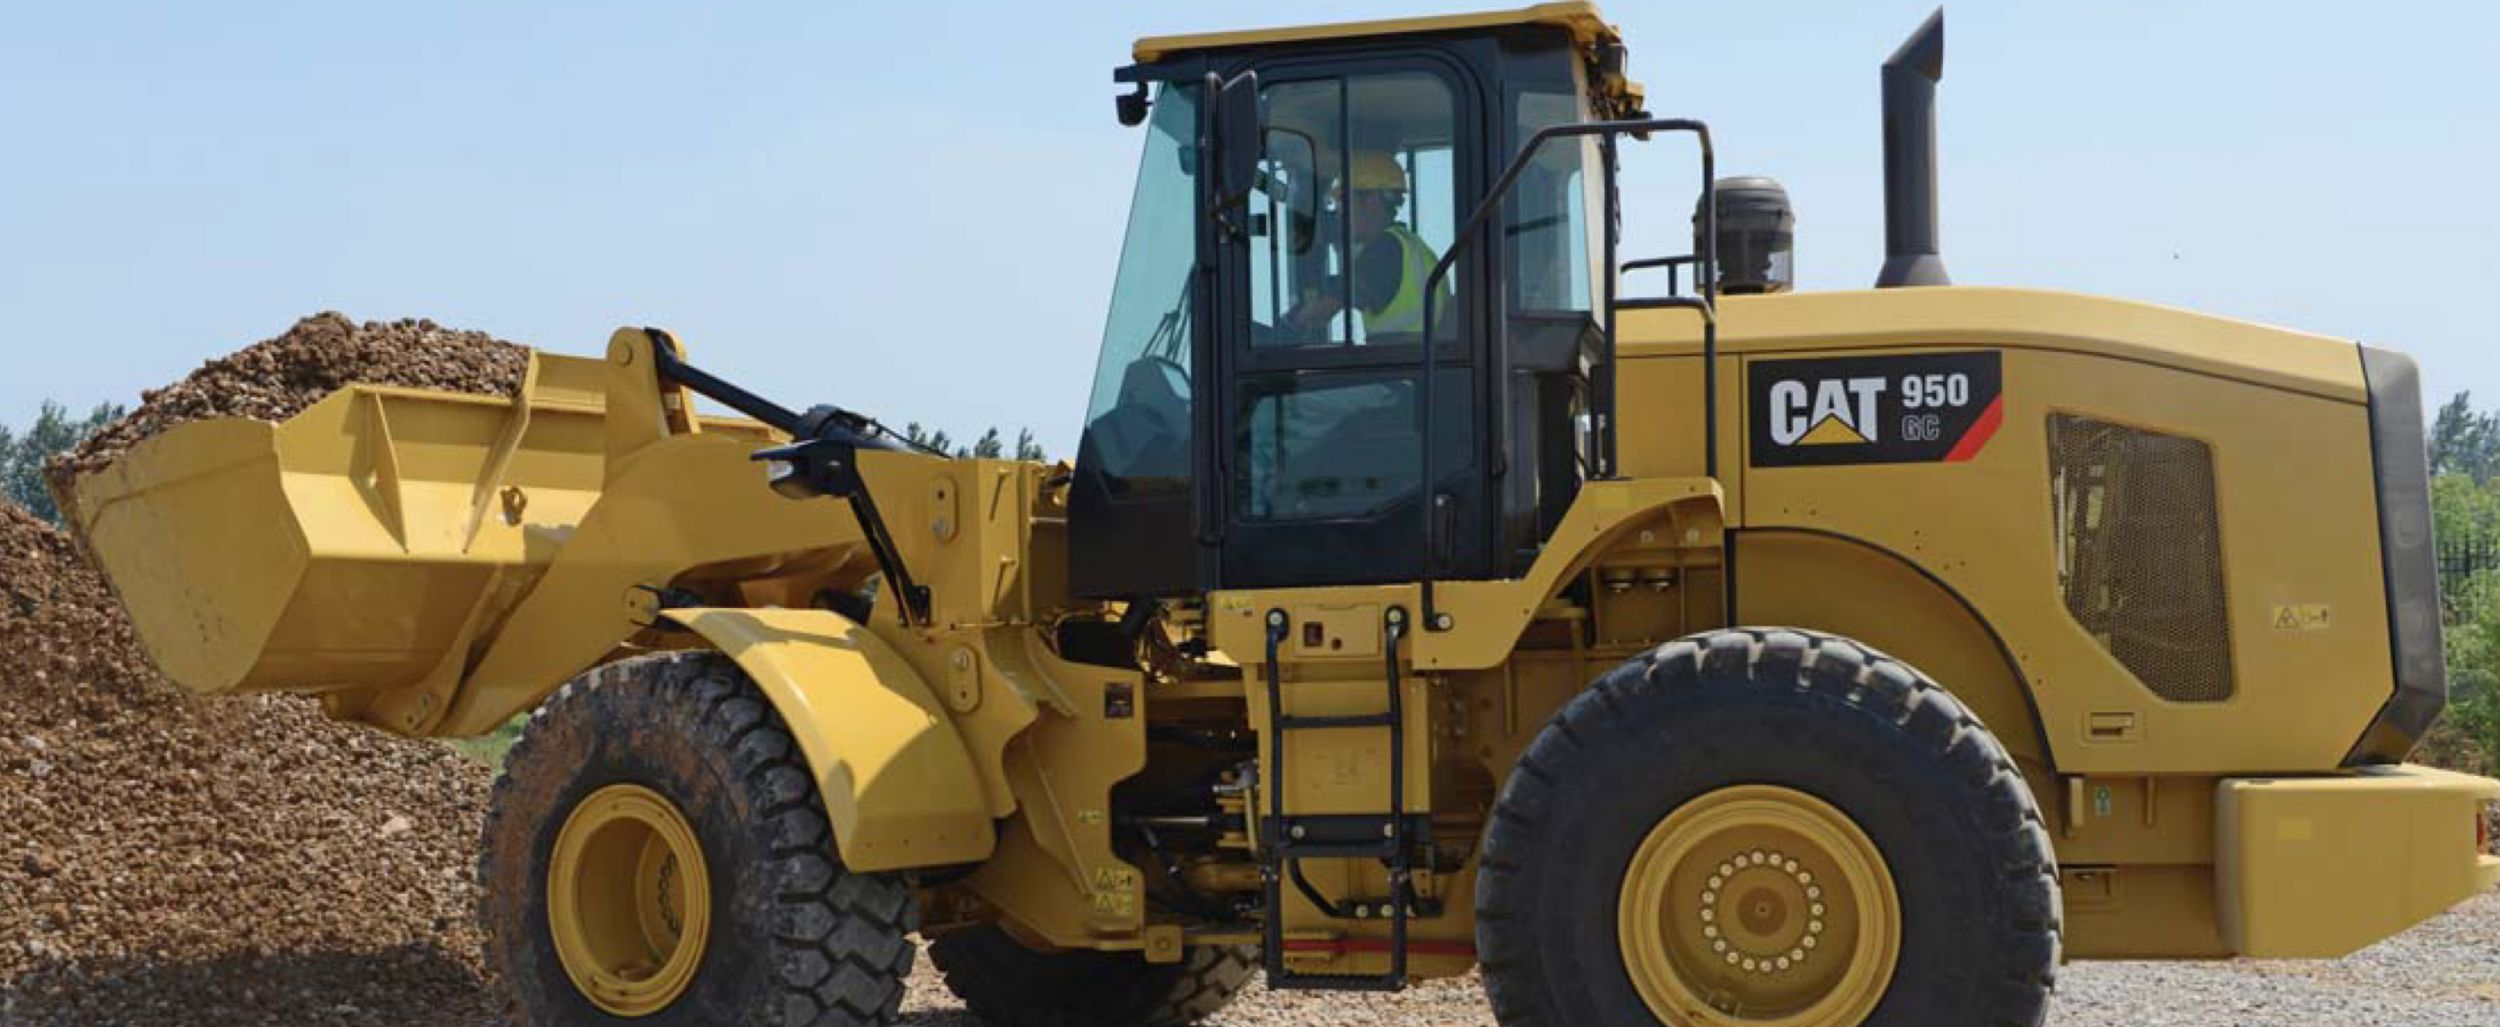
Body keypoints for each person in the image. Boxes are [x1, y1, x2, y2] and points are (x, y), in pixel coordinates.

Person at [1282, 151, 1447, 341]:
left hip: (1401, 360)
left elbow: (1333, 301)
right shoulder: (1408, 245)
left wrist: (1294, 321)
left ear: (1371, 201)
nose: (1339, 213)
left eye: (1343, 201)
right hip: (1411, 358)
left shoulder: (1385, 251)